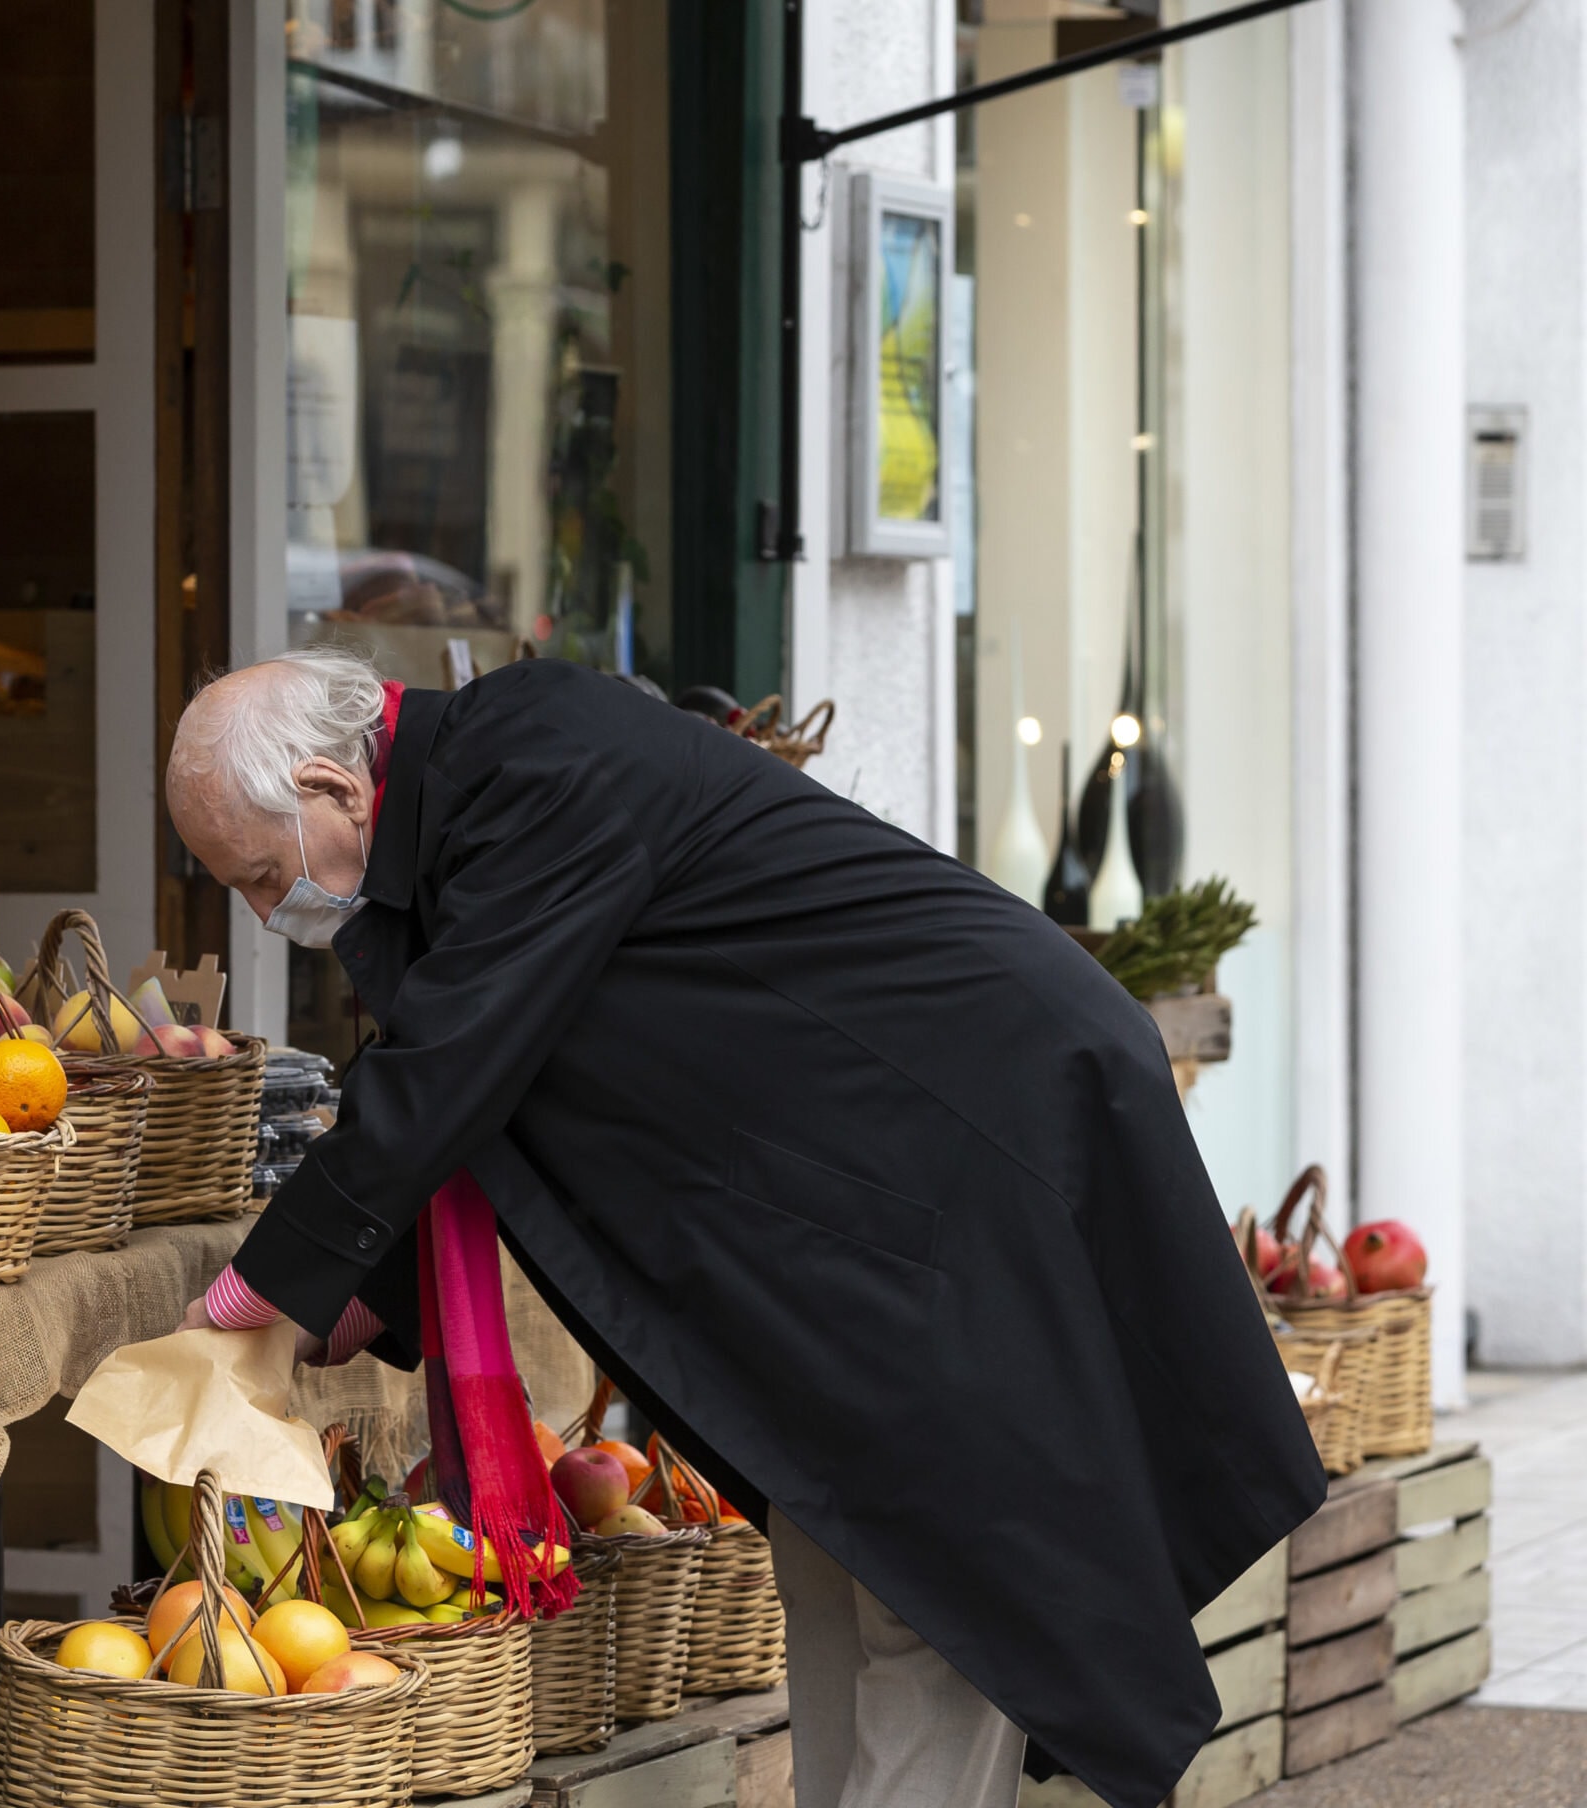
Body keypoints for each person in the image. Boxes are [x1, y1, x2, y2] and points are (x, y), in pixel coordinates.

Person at [166, 647, 1322, 1808]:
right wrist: (361, 1282)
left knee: (939, 1589)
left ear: (332, 788)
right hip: (867, 1176)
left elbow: (455, 1063)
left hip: (962, 1152)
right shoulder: (486, 781)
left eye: (264, 877)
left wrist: (255, 1293)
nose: (270, 915)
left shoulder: (533, 759)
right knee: (836, 1548)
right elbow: (495, 1083)